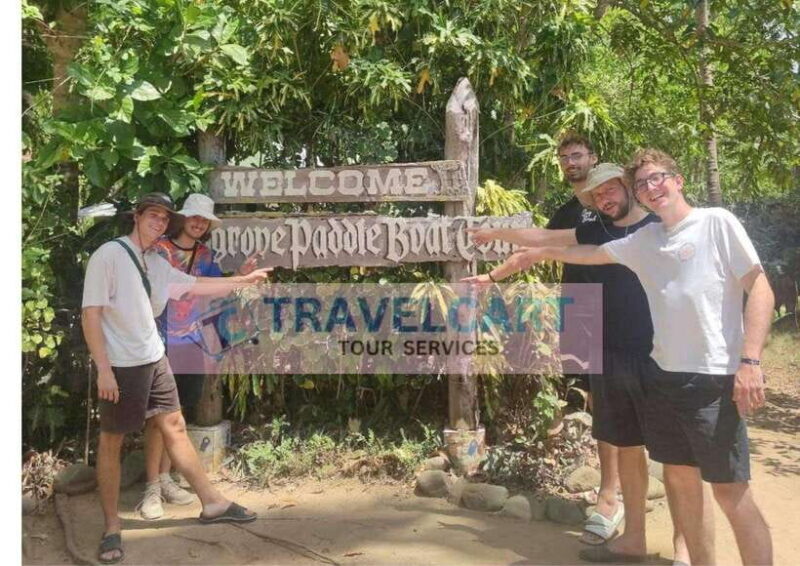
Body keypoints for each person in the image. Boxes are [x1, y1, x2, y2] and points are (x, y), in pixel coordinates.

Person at [494, 149, 774, 566]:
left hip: (713, 379)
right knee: (681, 483)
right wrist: (532, 253)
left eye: (657, 178)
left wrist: (749, 362)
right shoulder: (647, 238)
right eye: (644, 183)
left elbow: (761, 289)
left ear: (677, 180)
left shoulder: (716, 222)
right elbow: (586, 252)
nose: (651, 188)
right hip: (664, 377)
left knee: (731, 492)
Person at [465, 163, 688, 563]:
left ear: (627, 188)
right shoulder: (599, 230)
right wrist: (493, 239)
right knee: (628, 447)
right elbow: (542, 241)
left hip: (662, 354)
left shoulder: (659, 224)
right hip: (610, 351)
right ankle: (634, 536)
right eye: (596, 196)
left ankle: (684, 547)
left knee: (676, 457)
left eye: (610, 190)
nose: (604, 199)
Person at [82, 192, 271, 564]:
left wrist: (243, 281)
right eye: (153, 216)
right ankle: (111, 527)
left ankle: (214, 503)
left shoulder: (157, 261)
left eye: (164, 218)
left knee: (176, 426)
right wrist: (103, 368)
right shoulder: (110, 255)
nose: (159, 223)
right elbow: (91, 314)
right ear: (137, 217)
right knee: (112, 442)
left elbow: (196, 285)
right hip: (121, 364)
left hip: (155, 357)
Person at [470, 133, 626, 549]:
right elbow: (534, 250)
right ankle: (612, 490)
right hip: (579, 310)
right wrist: (490, 277)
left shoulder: (616, 206)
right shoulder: (567, 212)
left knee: (620, 402)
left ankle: (612, 496)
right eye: (564, 157)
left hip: (623, 315)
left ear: (594, 158)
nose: (571, 162)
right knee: (597, 401)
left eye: (578, 155)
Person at [136, 193, 257, 520]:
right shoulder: (158, 250)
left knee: (177, 413)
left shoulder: (206, 255)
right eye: (194, 217)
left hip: (191, 342)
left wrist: (242, 276)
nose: (199, 223)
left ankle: (166, 478)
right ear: (183, 218)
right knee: (157, 417)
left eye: (204, 220)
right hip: (159, 342)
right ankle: (151, 488)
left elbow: (214, 289)